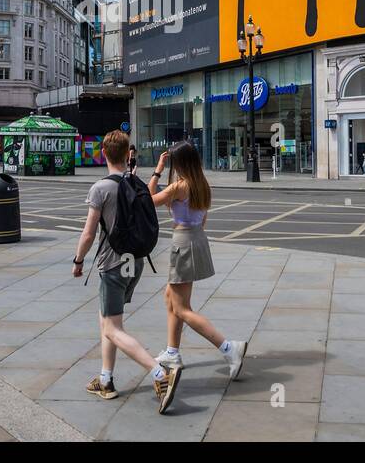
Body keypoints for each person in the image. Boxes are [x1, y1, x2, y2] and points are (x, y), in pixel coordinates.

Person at [72, 129, 181, 413]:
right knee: (106, 319)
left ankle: (160, 374)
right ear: (127, 154)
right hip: (137, 261)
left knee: (112, 327)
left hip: (113, 264)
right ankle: (105, 379)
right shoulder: (137, 183)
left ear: (104, 154)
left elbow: (88, 233)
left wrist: (78, 260)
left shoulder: (100, 188)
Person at [148, 141, 247, 379]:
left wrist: (157, 170)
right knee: (170, 297)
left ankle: (228, 348)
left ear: (180, 163)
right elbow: (203, 219)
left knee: (182, 308)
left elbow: (148, 199)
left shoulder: (178, 187)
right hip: (197, 239)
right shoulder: (202, 184)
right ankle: (172, 351)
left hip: (183, 242)